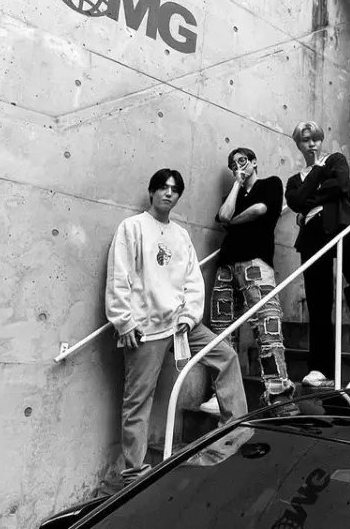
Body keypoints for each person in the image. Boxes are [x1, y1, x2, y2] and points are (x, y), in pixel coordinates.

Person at [105, 168, 247, 485]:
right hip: (144, 329)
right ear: (152, 191)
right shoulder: (132, 227)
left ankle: (234, 432)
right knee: (137, 399)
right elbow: (119, 277)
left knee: (226, 356)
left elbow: (194, 281)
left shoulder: (181, 235)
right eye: (163, 187)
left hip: (181, 325)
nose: (169, 193)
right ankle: (134, 473)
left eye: (175, 189)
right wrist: (124, 322)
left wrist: (189, 316)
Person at [285, 122, 350, 388]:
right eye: (305, 140)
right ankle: (321, 367)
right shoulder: (294, 180)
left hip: (343, 225)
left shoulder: (336, 160)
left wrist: (309, 198)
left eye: (316, 139)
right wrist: (318, 178)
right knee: (318, 300)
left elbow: (340, 185)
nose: (312, 144)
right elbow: (295, 201)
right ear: (298, 145)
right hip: (312, 236)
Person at [200, 147, 296, 415]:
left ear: (254, 162)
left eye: (242, 161)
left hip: (256, 262)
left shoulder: (271, 184)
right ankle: (221, 396)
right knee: (221, 329)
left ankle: (278, 394)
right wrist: (236, 185)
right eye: (233, 165)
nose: (237, 167)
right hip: (226, 263)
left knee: (267, 324)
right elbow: (224, 216)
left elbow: (260, 209)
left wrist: (233, 222)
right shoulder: (233, 195)